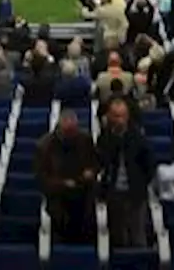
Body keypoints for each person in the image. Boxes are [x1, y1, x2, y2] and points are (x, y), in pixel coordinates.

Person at [96, 97, 155, 249]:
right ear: (109, 117)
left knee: (137, 235)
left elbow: (149, 166)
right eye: (115, 116)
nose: (119, 120)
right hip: (113, 192)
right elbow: (101, 162)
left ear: (127, 116)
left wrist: (140, 182)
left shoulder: (138, 138)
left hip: (135, 192)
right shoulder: (105, 137)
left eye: (122, 116)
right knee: (117, 237)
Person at [35, 109, 98, 243]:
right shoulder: (44, 146)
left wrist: (91, 172)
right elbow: (42, 179)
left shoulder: (85, 140)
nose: (71, 135)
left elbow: (95, 164)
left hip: (83, 196)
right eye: (67, 132)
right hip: (58, 199)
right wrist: (63, 183)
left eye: (73, 131)